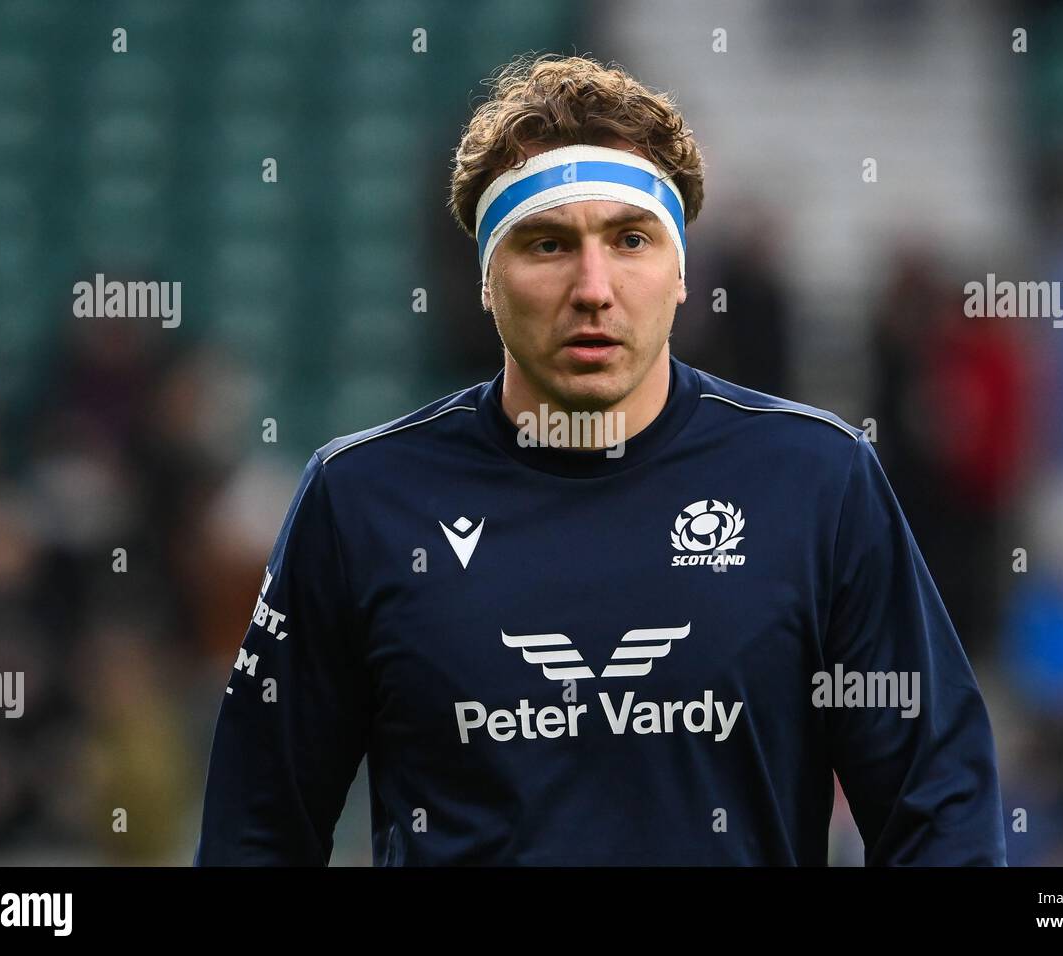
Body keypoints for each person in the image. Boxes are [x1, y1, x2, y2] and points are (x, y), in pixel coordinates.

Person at [194, 53, 1006, 866]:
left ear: (681, 270)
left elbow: (940, 810)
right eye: (547, 244)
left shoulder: (815, 479)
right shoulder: (362, 499)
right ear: (486, 280)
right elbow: (255, 833)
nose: (594, 286)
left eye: (630, 239)